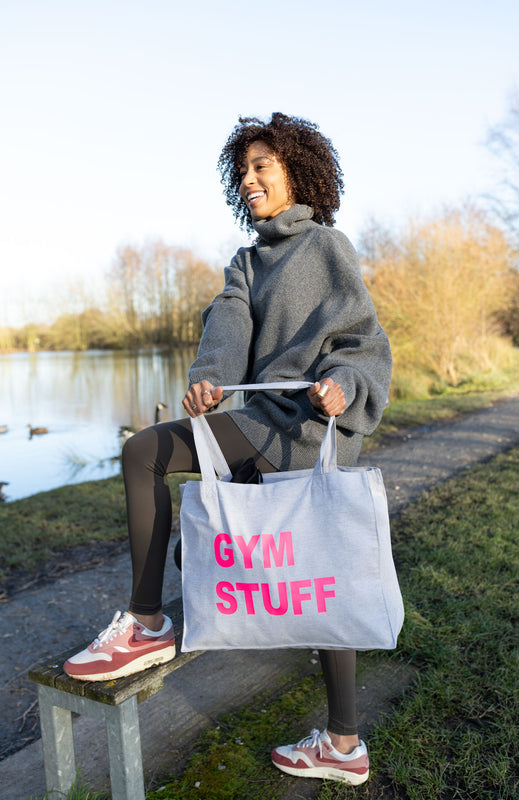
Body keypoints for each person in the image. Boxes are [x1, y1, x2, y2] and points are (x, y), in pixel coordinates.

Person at [64, 112, 392, 786]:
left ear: (297, 171)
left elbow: (364, 345)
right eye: (242, 171)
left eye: (261, 167)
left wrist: (343, 385)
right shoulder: (246, 261)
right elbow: (228, 321)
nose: (248, 180)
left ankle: (153, 625)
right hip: (256, 428)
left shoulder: (328, 248)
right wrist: (206, 379)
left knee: (148, 460)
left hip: (301, 432)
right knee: (171, 485)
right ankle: (338, 740)